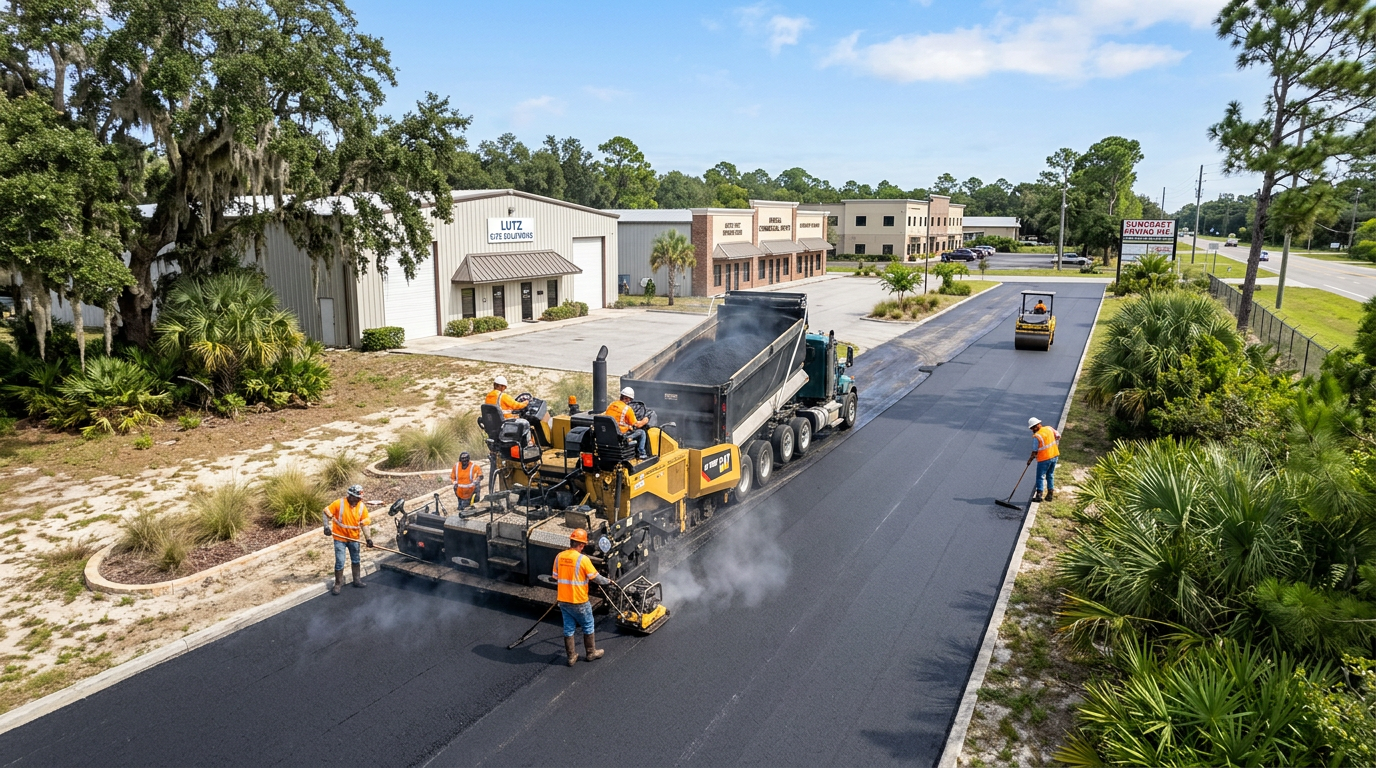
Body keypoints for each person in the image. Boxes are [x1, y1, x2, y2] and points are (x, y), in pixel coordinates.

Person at [553, 528, 611, 666]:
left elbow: (555, 577)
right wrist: (608, 581)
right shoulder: (583, 559)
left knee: (568, 628)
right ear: (581, 544)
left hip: (563, 600)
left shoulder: (559, 556)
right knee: (588, 625)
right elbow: (596, 578)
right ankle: (591, 653)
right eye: (583, 544)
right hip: (579, 600)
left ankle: (571, 657)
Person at [323, 484, 372, 595]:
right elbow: (325, 512)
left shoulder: (361, 506)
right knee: (340, 562)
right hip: (339, 538)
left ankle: (357, 580)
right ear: (350, 495)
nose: (358, 500)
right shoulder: (339, 503)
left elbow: (364, 524)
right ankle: (338, 584)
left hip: (354, 539)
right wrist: (326, 527)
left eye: (360, 498)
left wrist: (368, 538)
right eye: (357, 498)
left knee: (356, 560)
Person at [605, 386, 650, 459]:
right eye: (630, 399)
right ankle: (642, 453)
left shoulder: (612, 405)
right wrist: (645, 420)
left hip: (609, 433)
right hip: (621, 435)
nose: (630, 402)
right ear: (626, 398)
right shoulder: (627, 409)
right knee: (642, 432)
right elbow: (637, 425)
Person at [1027, 417, 1061, 502]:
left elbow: (1035, 451)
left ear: (1036, 426)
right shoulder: (1049, 428)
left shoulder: (1037, 436)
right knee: (1050, 475)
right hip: (1054, 455)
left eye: (1032, 428)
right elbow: (1058, 436)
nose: (1032, 430)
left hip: (1044, 459)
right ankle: (1050, 495)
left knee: (1040, 476)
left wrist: (1029, 460)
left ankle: (1039, 496)